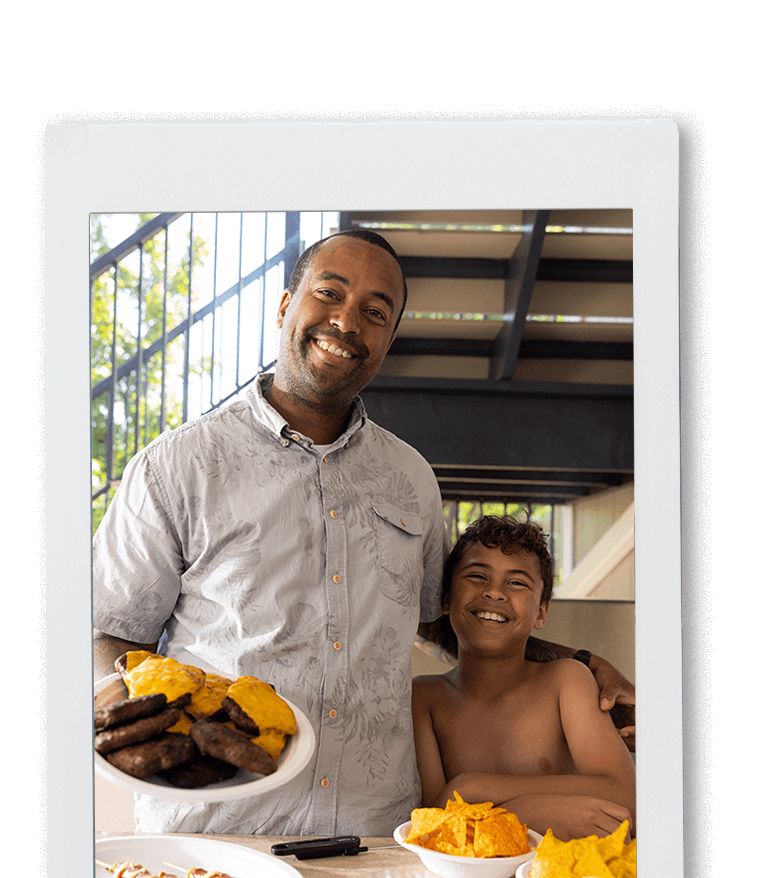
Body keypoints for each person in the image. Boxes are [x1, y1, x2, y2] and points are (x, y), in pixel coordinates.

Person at [93, 228, 635, 838]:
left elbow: (441, 623)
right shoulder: (178, 466)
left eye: (375, 312)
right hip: (216, 827)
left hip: (372, 830)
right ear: (285, 305)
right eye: (329, 293)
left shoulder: (412, 479)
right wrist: (135, 722)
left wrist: (583, 664)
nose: (347, 322)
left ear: (388, 338)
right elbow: (106, 629)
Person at [411, 514, 636, 841]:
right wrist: (531, 814)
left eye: (516, 583)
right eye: (477, 576)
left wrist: (472, 788)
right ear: (445, 599)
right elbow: (434, 824)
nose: (495, 593)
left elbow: (625, 796)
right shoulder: (424, 697)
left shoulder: (567, 681)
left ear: (541, 612)